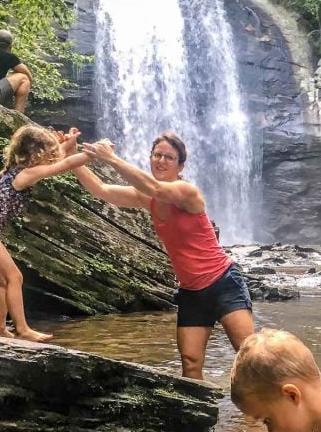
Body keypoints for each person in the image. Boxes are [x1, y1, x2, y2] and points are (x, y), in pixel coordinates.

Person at [65, 128, 254, 380]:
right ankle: (196, 416)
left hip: (223, 282)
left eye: (169, 157)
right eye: (157, 155)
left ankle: (268, 417)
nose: (161, 161)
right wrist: (70, 155)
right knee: (190, 362)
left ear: (180, 165)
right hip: (191, 292)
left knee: (250, 357)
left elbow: (156, 188)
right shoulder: (147, 196)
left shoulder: (187, 192)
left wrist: (111, 158)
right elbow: (101, 189)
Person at [0, 125, 94, 342]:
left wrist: (66, 145)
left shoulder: (16, 170)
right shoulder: (26, 174)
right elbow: (66, 164)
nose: (51, 157)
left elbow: (56, 160)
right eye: (47, 152)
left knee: (5, 280)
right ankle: (22, 329)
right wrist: (93, 153)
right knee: (15, 277)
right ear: (35, 155)